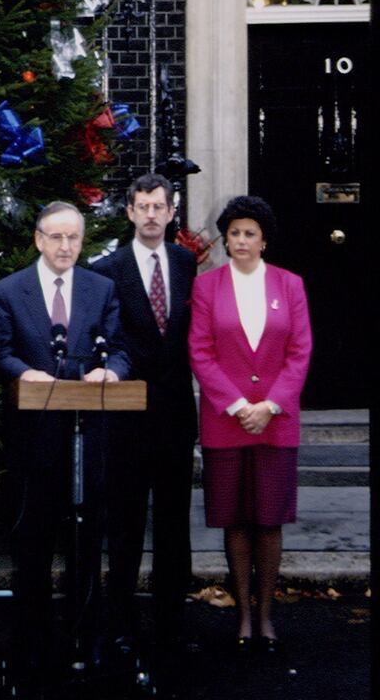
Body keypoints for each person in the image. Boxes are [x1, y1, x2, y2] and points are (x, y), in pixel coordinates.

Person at [0, 201, 130, 684]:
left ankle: (86, 638)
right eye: (56, 237)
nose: (66, 246)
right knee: (33, 543)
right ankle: (30, 644)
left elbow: (121, 348)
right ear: (38, 239)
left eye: (74, 238)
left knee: (86, 541)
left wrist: (110, 370)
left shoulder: (102, 288)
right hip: (34, 440)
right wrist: (23, 372)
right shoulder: (10, 290)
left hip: (87, 435)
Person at [188, 195, 312, 652]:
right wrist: (239, 404)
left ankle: (265, 616)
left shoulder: (290, 284)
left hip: (275, 423)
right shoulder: (207, 287)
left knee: (269, 519)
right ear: (226, 239)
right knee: (234, 520)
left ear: (264, 240)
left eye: (250, 234)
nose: (241, 241)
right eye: (234, 233)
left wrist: (271, 405)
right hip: (226, 421)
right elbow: (200, 351)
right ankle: (241, 614)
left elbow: (300, 351)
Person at [91, 173, 198, 668]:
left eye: (160, 206)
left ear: (172, 212)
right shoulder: (108, 270)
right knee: (126, 526)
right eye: (143, 206)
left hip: (176, 414)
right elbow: (111, 338)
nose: (152, 214)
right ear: (130, 212)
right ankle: (120, 627)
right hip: (128, 416)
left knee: (175, 527)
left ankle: (172, 627)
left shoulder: (185, 262)